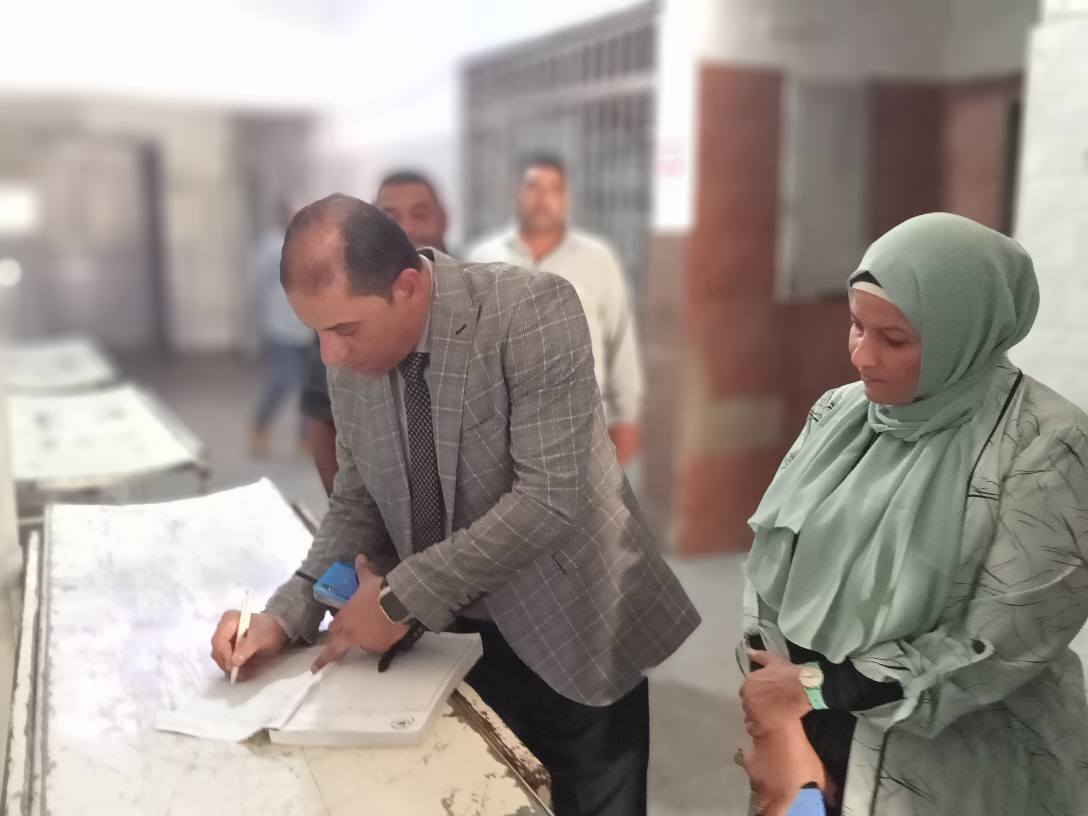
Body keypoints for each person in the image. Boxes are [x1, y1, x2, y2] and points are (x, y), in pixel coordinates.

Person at [211, 194, 700, 816]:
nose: (331, 355)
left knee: (593, 796)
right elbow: (357, 504)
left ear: (407, 287)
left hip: (574, 622)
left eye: (345, 329)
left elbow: (547, 499)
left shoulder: (530, 311)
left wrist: (398, 598)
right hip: (456, 634)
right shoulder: (348, 359)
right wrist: (285, 615)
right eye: (318, 332)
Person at [736, 212, 1088, 816]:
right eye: (856, 326)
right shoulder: (840, 414)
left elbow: (995, 648)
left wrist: (812, 689)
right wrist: (780, 733)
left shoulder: (1048, 447)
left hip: (948, 770)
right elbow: (769, 574)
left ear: (966, 333)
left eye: (895, 340)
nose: (863, 357)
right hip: (805, 743)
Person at [468, 153, 643, 466]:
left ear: (567, 197)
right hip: (501, 431)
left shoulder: (598, 259)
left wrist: (627, 416)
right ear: (515, 192)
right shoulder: (482, 257)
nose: (543, 199)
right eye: (533, 187)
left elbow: (620, 337)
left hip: (583, 428)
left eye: (554, 189)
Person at [301, 170, 450, 495]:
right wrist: (345, 508)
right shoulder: (342, 306)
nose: (408, 228)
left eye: (420, 214)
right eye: (391, 217)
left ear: (443, 219)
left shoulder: (480, 300)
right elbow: (321, 416)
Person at [248, 200, 313, 458]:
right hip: (280, 328)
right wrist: (254, 332)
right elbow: (255, 287)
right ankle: (260, 425)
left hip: (311, 328)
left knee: (312, 386)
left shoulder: (315, 243)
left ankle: (305, 440)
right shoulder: (270, 246)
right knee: (282, 380)